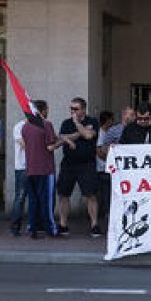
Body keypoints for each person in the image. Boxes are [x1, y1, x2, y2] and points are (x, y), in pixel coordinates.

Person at [57, 97, 100, 237]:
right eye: (71, 108)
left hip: (87, 164)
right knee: (63, 195)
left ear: (83, 109)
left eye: (76, 109)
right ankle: (63, 224)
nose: (73, 111)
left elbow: (89, 136)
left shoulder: (92, 121)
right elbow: (62, 137)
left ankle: (94, 224)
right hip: (68, 164)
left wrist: (77, 126)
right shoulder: (65, 123)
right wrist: (78, 133)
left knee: (91, 195)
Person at [22, 101, 64, 239]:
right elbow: (50, 147)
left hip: (30, 169)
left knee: (33, 201)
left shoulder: (26, 126)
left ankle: (32, 228)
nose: (48, 111)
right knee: (47, 202)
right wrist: (62, 141)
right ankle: (51, 229)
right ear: (42, 110)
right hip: (45, 169)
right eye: (47, 109)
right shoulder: (46, 124)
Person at [9, 117, 28, 236]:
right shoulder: (19, 126)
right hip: (22, 167)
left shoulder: (41, 125)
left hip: (36, 167)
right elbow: (23, 144)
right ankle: (15, 227)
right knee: (20, 197)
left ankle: (35, 225)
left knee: (36, 197)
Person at [94, 110, 114, 221]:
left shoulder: (108, 132)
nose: (113, 122)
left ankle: (105, 212)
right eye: (111, 119)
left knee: (106, 192)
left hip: (106, 167)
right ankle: (105, 213)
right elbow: (99, 151)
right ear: (107, 120)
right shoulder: (100, 133)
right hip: (102, 167)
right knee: (104, 193)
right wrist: (109, 160)